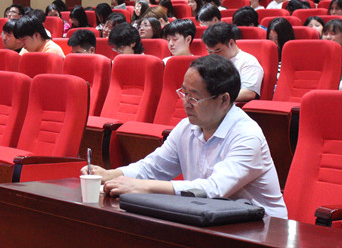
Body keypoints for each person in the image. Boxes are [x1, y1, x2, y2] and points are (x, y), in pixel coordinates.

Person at [81, 55, 287, 218]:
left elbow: (214, 189)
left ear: (224, 100)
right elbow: (153, 168)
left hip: (264, 229)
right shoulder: (187, 127)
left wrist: (142, 187)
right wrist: (112, 174)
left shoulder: (247, 135)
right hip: (212, 218)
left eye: (194, 97)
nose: (185, 103)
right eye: (184, 93)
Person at [202, 22, 263, 101]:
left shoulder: (248, 62)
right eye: (209, 51)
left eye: (218, 51)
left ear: (231, 43)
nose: (214, 56)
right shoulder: (208, 62)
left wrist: (217, 100)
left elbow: (249, 93)